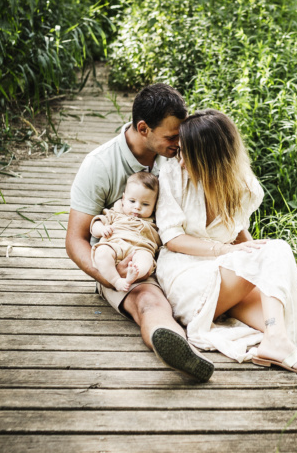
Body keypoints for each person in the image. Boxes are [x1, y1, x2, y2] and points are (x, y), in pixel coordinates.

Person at [155, 109, 297, 434]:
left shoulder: (242, 186)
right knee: (278, 252)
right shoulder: (172, 173)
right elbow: (172, 238)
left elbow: (239, 231)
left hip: (223, 276)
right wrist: (232, 252)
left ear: (208, 157)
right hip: (186, 276)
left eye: (187, 153)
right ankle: (279, 345)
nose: (180, 159)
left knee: (285, 308)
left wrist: (263, 262)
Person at [66, 83, 214, 383]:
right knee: (149, 301)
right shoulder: (100, 164)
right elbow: (75, 240)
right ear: (144, 128)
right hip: (126, 262)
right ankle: (181, 351)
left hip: (180, 253)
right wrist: (113, 274)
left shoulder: (177, 154)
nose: (178, 143)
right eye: (171, 137)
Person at [90, 172, 161, 292]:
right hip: (114, 245)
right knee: (101, 252)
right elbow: (95, 224)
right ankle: (116, 280)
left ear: (154, 206)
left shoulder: (154, 221)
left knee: (146, 259)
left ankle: (134, 274)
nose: (137, 207)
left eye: (145, 204)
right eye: (132, 201)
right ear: (123, 199)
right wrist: (102, 229)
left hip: (140, 249)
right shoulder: (116, 213)